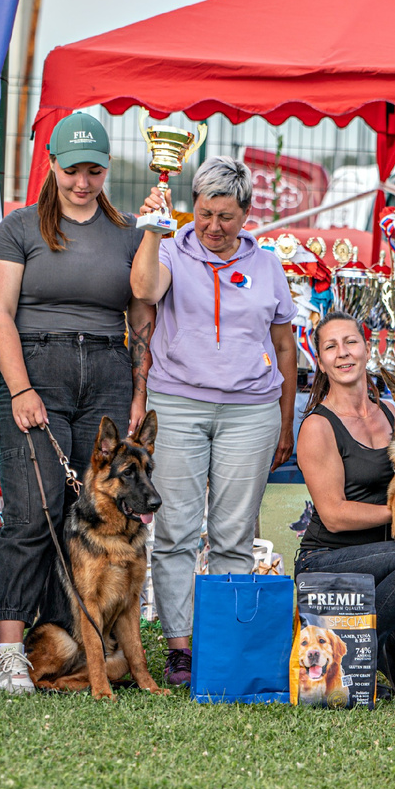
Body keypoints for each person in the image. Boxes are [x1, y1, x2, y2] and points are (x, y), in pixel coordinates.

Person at [0, 113, 152, 693]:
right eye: (71, 169)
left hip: (107, 371)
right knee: (32, 515)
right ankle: (9, 650)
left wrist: (138, 386)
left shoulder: (131, 232)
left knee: (88, 517)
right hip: (39, 371)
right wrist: (21, 388)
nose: (82, 181)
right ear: (51, 164)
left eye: (94, 170)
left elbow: (140, 316)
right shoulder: (19, 227)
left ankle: (76, 642)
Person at [131, 156, 297, 686]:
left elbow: (284, 344)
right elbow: (143, 290)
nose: (213, 227)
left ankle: (223, 639)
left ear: (247, 214)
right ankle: (180, 646)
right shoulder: (173, 252)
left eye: (226, 216)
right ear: (192, 209)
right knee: (176, 529)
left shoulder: (268, 265)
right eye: (204, 213)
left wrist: (287, 419)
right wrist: (154, 233)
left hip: (252, 410)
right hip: (177, 403)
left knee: (234, 533)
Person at [294, 311, 395, 696]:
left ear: (368, 348)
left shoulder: (389, 413)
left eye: (350, 342)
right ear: (320, 360)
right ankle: (338, 643)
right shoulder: (318, 425)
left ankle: (359, 644)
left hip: (385, 569)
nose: (343, 353)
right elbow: (332, 516)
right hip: (327, 562)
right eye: (331, 347)